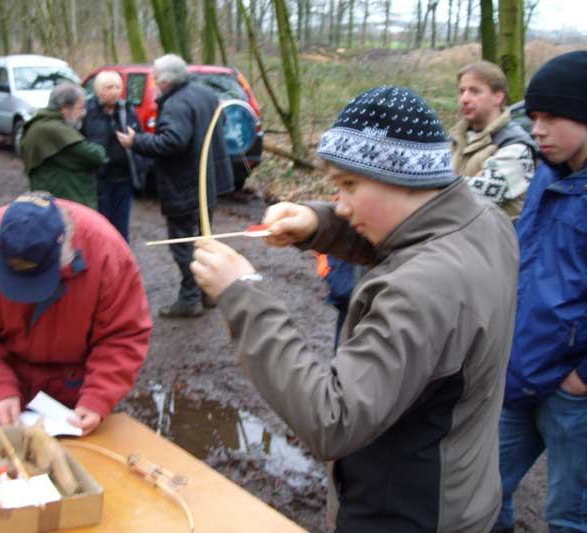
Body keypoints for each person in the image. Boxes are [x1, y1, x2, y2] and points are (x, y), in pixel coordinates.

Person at [190, 86, 519, 532]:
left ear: (406, 177)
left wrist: (241, 292)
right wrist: (317, 224)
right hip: (458, 491)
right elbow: (412, 237)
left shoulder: (423, 289)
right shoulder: (481, 218)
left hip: (405, 516)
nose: (341, 204)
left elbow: (333, 418)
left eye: (348, 185)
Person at [0, 191, 152, 434]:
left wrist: (97, 397)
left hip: (78, 386)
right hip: (11, 383)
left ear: (65, 245)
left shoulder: (106, 252)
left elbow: (123, 335)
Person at [491, 51, 587, 533]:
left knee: (570, 517)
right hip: (522, 370)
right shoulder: (547, 176)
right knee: (482, 493)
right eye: (534, 118)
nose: (538, 130)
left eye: (552, 118)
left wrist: (582, 378)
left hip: (574, 393)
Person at [117, 54, 233, 318]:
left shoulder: (176, 103)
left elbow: (172, 141)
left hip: (185, 184)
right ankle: (207, 292)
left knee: (183, 243)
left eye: (156, 79)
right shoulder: (204, 93)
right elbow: (219, 125)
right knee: (204, 239)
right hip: (205, 182)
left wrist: (136, 142)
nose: (155, 83)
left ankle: (190, 299)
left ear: (167, 81)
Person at [452, 61, 537, 219]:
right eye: (462, 91)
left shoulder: (516, 147)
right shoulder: (455, 140)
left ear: (498, 97)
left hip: (494, 242)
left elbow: (468, 200)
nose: (464, 99)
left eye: (475, 91)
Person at [81, 70, 146, 241]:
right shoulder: (88, 111)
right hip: (98, 179)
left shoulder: (128, 110)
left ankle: (121, 262)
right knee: (101, 225)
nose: (114, 92)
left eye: (117, 87)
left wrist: (135, 143)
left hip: (124, 178)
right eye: (109, 87)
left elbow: (140, 139)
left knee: (121, 228)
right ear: (98, 90)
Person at [21, 83, 106, 209]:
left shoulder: (41, 124)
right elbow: (96, 155)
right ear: (65, 109)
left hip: (53, 201)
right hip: (65, 205)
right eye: (80, 108)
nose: (83, 113)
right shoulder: (53, 130)